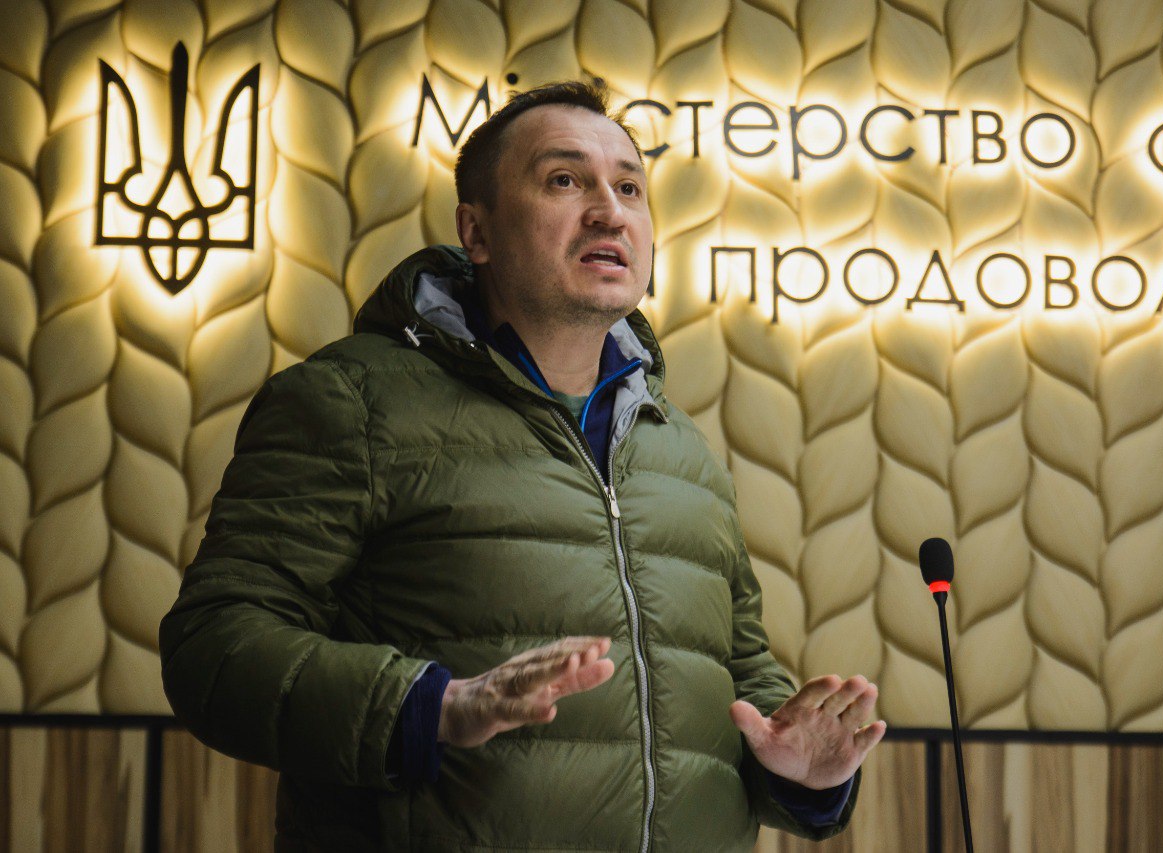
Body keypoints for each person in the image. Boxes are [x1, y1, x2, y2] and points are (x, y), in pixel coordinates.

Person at [159, 81, 886, 851]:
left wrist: (801, 770)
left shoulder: (679, 448)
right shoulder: (350, 401)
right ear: (476, 232)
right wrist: (432, 707)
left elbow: (736, 668)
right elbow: (214, 644)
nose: (609, 211)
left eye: (629, 187)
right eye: (565, 180)